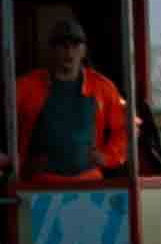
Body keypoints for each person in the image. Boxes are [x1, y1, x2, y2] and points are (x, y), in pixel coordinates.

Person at [12, 10, 130, 184]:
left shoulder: (103, 87)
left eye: (75, 45)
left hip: (90, 184)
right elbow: (5, 126)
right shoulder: (25, 86)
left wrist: (107, 157)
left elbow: (127, 126)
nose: (69, 51)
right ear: (52, 50)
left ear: (84, 50)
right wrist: (18, 161)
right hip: (40, 185)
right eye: (63, 45)